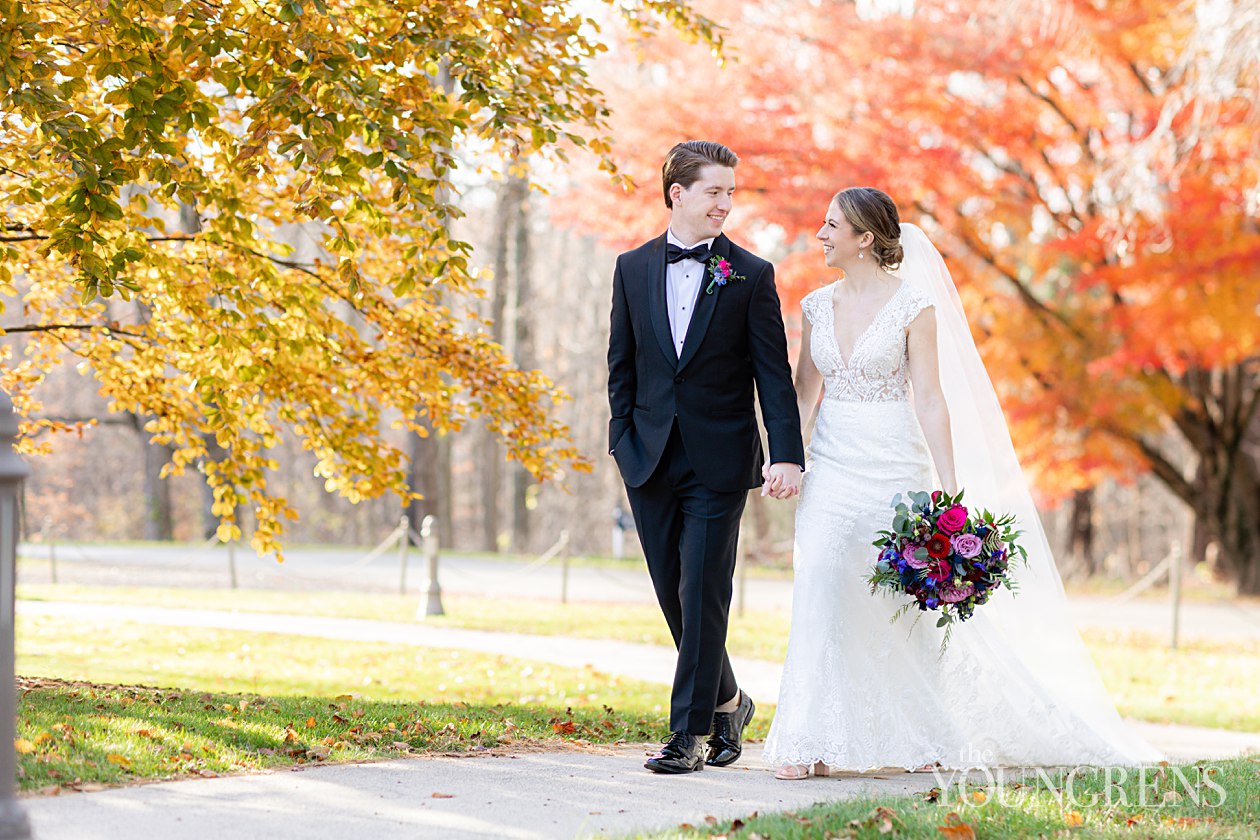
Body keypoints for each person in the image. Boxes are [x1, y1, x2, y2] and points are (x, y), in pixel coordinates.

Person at [763, 187, 1160, 779]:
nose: (819, 235)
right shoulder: (815, 306)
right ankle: (809, 741)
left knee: (896, 601)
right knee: (819, 582)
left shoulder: (913, 307)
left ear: (865, 239)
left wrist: (948, 490)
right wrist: (784, 458)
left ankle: (918, 735)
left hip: (895, 466)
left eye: (831, 226)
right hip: (832, 464)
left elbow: (929, 397)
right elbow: (801, 394)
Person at [607, 141, 805, 774]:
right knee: (675, 596)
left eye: (730, 192)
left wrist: (788, 455)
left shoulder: (751, 274)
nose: (726, 203)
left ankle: (686, 735)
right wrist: (620, 437)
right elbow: (622, 366)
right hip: (648, 456)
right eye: (715, 191)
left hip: (720, 460)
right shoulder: (632, 268)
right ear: (679, 194)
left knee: (704, 591)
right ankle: (728, 700)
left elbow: (774, 376)